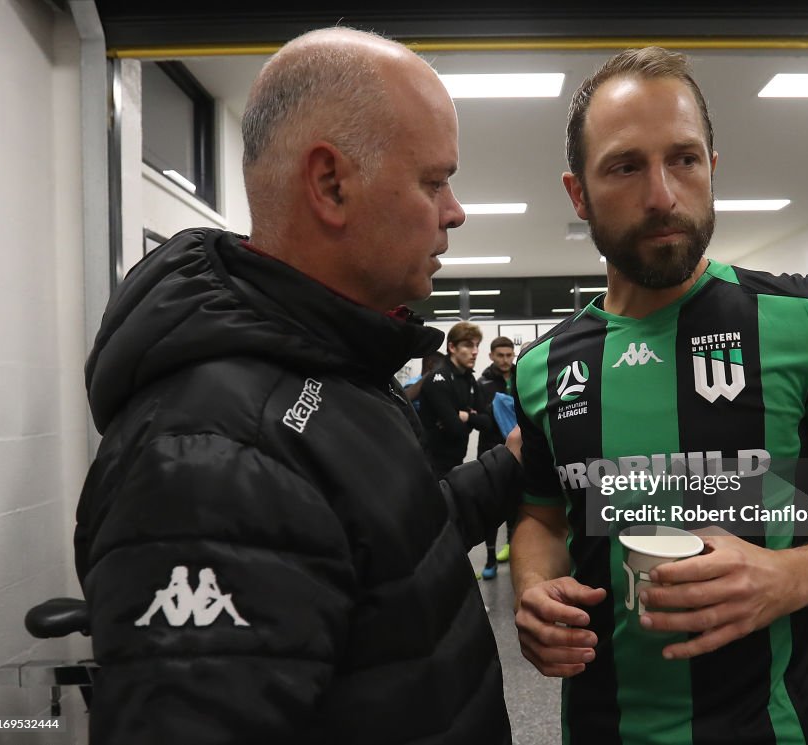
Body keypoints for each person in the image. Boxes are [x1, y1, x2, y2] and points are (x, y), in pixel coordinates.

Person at [74, 28, 522, 745]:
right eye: (434, 181)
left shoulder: (335, 370)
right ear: (331, 184)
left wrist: (514, 463)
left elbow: (397, 545)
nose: (455, 211)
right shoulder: (214, 459)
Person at [510, 46, 808, 745]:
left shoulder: (804, 320)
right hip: (601, 727)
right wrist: (534, 587)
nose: (662, 194)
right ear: (578, 194)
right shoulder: (543, 365)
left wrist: (789, 576)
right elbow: (539, 514)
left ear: (711, 169)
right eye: (626, 166)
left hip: (771, 726)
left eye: (684, 159)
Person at [418, 321, 492, 477]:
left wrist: (466, 415)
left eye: (477, 345)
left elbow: (487, 423)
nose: (475, 351)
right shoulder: (438, 378)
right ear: (452, 347)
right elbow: (456, 429)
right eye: (468, 345)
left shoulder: (469, 379)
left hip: (456, 461)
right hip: (432, 464)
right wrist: (470, 418)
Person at [477, 336, 518, 579]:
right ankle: (490, 559)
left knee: (516, 505)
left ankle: (514, 548)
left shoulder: (521, 376)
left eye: (508, 355)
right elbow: (480, 418)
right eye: (500, 355)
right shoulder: (482, 383)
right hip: (491, 449)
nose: (505, 360)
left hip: (517, 451)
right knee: (491, 508)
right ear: (491, 355)